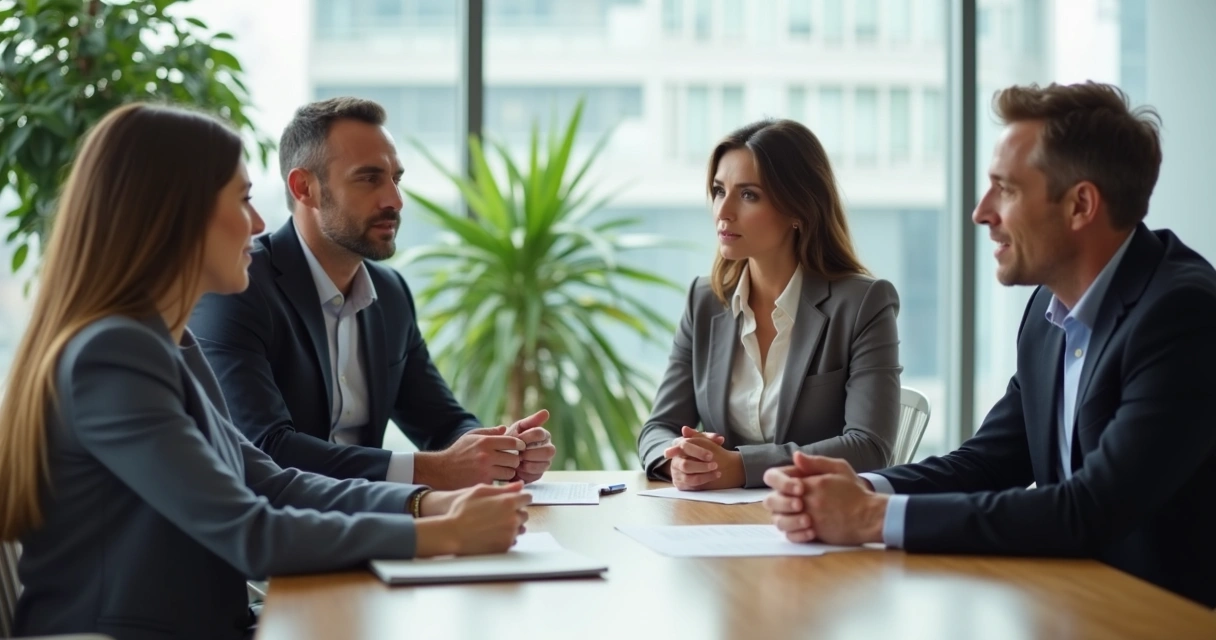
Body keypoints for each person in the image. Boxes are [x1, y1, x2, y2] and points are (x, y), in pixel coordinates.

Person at [0, 103, 531, 639]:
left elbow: (270, 482)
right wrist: (444, 534)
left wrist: (427, 503)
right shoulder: (111, 356)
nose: (257, 223)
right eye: (243, 199)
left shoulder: (167, 344)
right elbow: (251, 532)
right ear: (173, 216)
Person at [762, 81, 1216, 608]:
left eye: (1006, 189)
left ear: (1080, 205)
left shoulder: (1182, 315)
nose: (981, 212)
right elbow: (985, 462)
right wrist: (866, 488)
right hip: (1076, 606)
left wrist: (870, 518)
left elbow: (1091, 508)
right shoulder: (1049, 314)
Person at [188, 97, 556, 489]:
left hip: (374, 523)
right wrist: (431, 471)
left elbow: (443, 423)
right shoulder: (238, 288)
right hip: (285, 534)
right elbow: (267, 450)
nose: (395, 201)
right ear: (304, 188)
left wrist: (499, 451)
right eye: (368, 178)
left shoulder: (391, 293)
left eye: (395, 179)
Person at [637, 118, 902, 491]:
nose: (723, 211)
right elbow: (657, 428)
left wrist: (742, 467)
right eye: (718, 190)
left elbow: (869, 446)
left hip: (818, 521)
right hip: (719, 523)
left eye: (748, 195)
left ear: (798, 208)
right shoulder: (705, 301)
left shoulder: (862, 304)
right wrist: (676, 458)